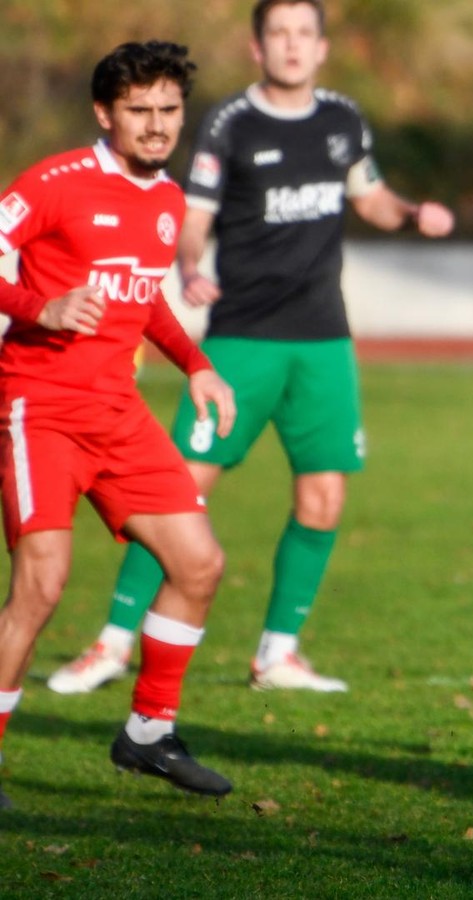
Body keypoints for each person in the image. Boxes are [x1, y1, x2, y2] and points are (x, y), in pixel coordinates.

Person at [47, 0, 455, 696]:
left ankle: (277, 653)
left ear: (321, 48)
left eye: (304, 34)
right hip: (240, 337)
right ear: (257, 47)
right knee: (176, 495)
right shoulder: (230, 123)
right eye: (278, 34)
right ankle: (112, 641)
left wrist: (413, 213)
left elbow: (371, 197)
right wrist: (192, 267)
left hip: (324, 339)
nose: (292, 46)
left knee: (323, 498)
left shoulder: (342, 120)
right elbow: (196, 217)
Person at [0, 40, 237, 810]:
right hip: (39, 409)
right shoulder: (55, 183)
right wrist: (41, 307)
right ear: (106, 113)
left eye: (170, 110)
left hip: (118, 412)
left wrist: (196, 364)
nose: (158, 124)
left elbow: (147, 298)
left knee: (198, 564)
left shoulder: (167, 199)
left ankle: (146, 734)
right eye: (140, 110)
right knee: (41, 587)